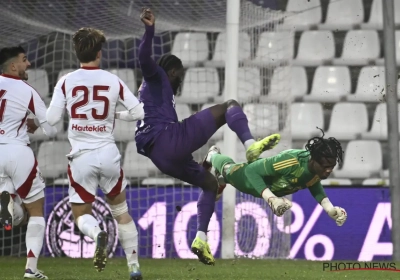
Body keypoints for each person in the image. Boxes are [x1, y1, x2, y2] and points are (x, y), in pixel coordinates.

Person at [136, 8, 281, 266]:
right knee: (229, 106)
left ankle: (201, 238)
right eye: (179, 75)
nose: (180, 80)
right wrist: (149, 31)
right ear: (171, 72)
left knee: (211, 185)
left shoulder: (151, 92)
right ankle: (250, 146)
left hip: (161, 156)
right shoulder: (157, 76)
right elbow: (144, 59)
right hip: (168, 138)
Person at [46, 27, 144, 280]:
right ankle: (134, 267)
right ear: (99, 54)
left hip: (81, 157)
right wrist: (114, 114)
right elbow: (139, 113)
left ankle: (97, 233)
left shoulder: (66, 81)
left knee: (81, 214)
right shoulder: (113, 80)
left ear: (77, 53)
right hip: (109, 153)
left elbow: (52, 119)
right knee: (121, 211)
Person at [204, 128, 348, 226]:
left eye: (332, 166)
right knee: (229, 169)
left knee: (225, 178)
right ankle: (213, 155)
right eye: (325, 166)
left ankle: (221, 181)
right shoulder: (291, 161)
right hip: (250, 179)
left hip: (270, 187)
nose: (329, 171)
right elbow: (251, 172)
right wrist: (271, 199)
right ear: (314, 160)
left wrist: (329, 209)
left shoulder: (317, 170)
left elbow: (313, 183)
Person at [0, 46, 58, 279]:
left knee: (12, 205)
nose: (29, 64)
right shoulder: (26, 90)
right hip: (18, 151)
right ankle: (30, 270)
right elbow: (52, 129)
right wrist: (34, 123)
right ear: (13, 66)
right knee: (36, 211)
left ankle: (8, 199)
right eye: (25, 60)